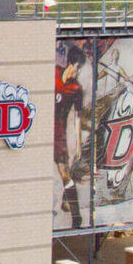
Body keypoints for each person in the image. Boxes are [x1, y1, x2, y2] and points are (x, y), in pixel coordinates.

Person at [55, 47, 86, 228]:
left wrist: (79, 143)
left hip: (58, 136)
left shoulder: (75, 89)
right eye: (77, 68)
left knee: (64, 173)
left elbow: (77, 117)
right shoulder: (53, 74)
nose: (77, 72)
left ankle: (77, 217)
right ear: (71, 65)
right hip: (39, 132)